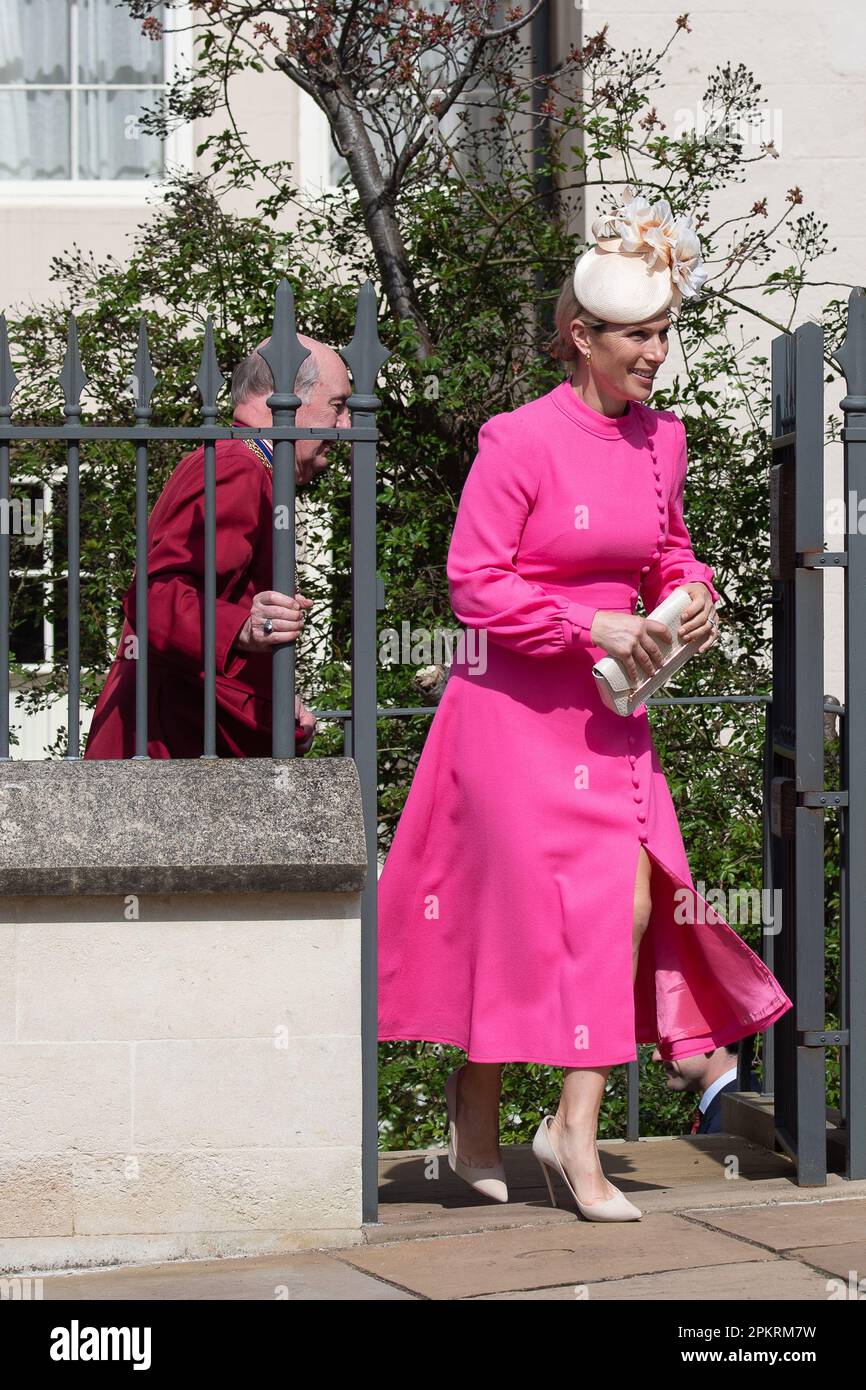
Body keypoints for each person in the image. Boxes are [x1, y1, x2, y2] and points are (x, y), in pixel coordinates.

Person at [377, 185, 793, 1221]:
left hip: (612, 715)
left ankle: (573, 1127)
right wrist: (587, 626)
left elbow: (665, 546)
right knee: (513, 919)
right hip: (511, 714)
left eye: (662, 332)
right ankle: (472, 1112)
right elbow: (473, 584)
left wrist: (689, 598)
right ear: (580, 336)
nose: (654, 351)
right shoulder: (514, 440)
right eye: (636, 335)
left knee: (630, 902)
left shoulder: (664, 439)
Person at [84, 334, 351, 759]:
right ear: (285, 398)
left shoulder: (245, 463)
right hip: (171, 755)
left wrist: (271, 695)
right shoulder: (236, 466)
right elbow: (155, 597)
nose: (346, 427)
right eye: (337, 406)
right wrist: (244, 627)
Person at [655, 1043, 761, 1136]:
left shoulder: (729, 1124)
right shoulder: (731, 1108)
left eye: (668, 1041)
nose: (656, 1057)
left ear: (707, 1041)